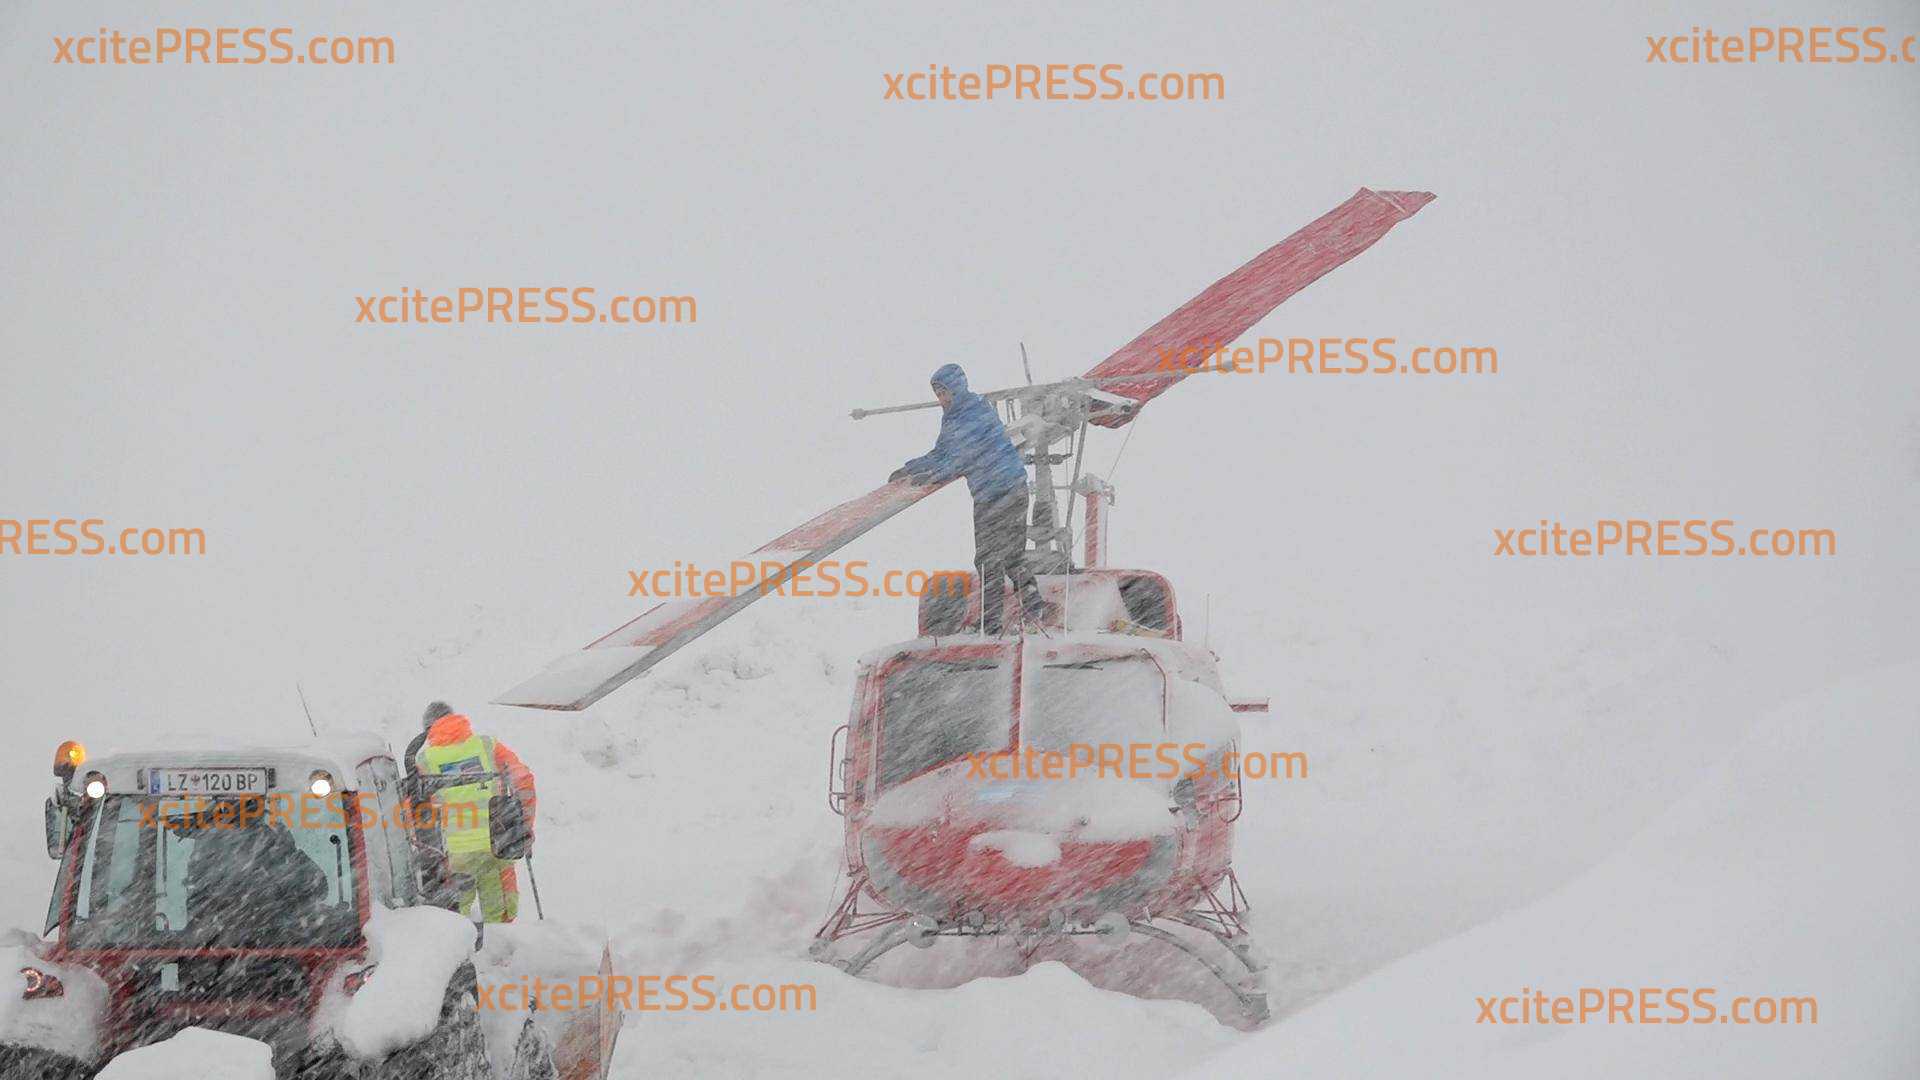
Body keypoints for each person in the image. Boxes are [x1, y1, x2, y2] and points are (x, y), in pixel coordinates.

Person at [890, 363, 1043, 635]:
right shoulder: (953, 417)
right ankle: (1033, 609)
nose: (941, 399)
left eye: (944, 392)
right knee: (1007, 558)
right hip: (998, 491)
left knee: (991, 560)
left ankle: (993, 624)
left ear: (956, 389)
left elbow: (963, 458)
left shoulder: (974, 413)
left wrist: (934, 475)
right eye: (937, 394)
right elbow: (943, 453)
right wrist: (911, 467)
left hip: (1001, 491)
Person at [412, 701, 537, 922]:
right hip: (497, 847)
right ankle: (500, 955)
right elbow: (523, 780)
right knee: (500, 920)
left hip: (454, 856)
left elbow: (416, 812)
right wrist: (524, 826)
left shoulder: (424, 761)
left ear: (428, 730)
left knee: (454, 921)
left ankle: (462, 953)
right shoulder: (488, 746)